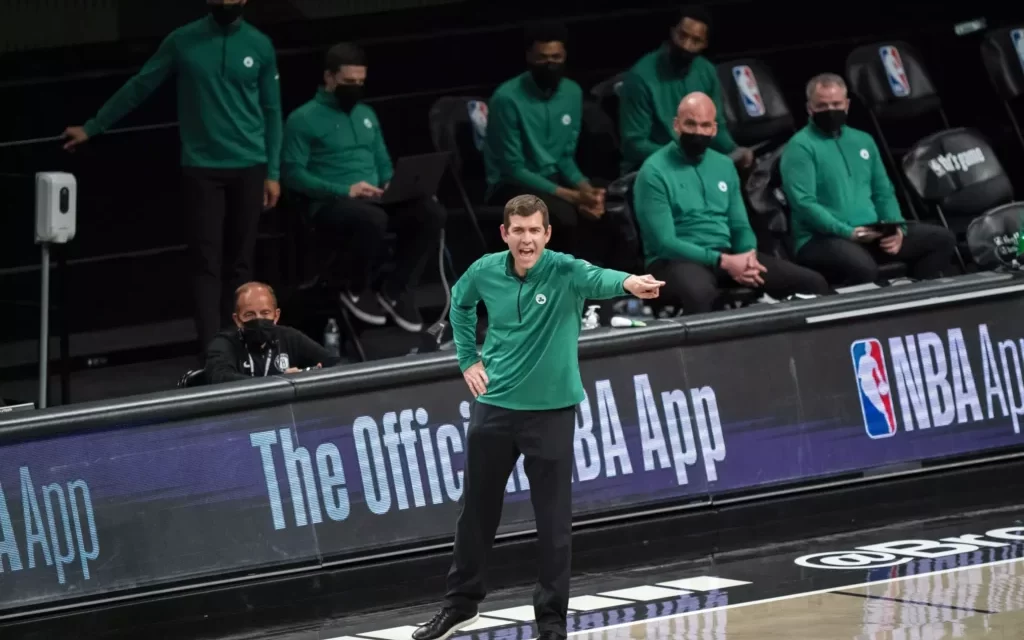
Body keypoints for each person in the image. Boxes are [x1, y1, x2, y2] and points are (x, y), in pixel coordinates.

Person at [412, 195, 664, 640]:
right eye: (518, 230)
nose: (526, 239)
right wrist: (468, 358)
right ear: (504, 233)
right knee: (475, 514)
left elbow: (599, 277)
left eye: (534, 230)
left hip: (549, 414)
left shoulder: (564, 270)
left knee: (552, 524)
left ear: (547, 234)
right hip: (494, 408)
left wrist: (629, 284)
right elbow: (461, 305)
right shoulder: (485, 270)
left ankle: (551, 622)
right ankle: (460, 605)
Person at [63, 0, 283, 356]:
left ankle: (247, 348)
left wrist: (273, 172)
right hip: (202, 167)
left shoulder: (259, 44)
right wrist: (93, 127)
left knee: (242, 260)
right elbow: (141, 85)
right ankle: (214, 351)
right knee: (206, 262)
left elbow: (272, 110)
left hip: (250, 164)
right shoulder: (183, 40)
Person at [282, 42, 446, 333]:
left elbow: (383, 162)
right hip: (332, 203)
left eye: (360, 82)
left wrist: (392, 185)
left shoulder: (367, 114)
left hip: (374, 200)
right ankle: (356, 288)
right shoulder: (302, 119)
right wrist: (345, 190)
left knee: (430, 212)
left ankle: (395, 289)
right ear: (330, 78)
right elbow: (293, 175)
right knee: (373, 219)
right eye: (348, 82)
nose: (355, 88)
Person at [634, 92, 829, 314]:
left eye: (705, 125)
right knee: (701, 294)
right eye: (691, 124)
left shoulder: (725, 166)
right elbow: (664, 242)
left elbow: (740, 226)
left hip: (727, 256)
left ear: (714, 129)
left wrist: (747, 256)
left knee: (813, 283)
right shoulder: (653, 172)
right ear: (676, 126)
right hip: (673, 262)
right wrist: (724, 261)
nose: (698, 132)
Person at [780, 73, 957, 285]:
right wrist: (847, 232)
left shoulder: (863, 140)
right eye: (822, 106)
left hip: (869, 232)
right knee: (862, 268)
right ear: (809, 108)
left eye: (836, 104)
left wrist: (896, 228)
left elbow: (883, 190)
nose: (830, 111)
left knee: (941, 239)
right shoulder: (799, 147)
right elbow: (803, 204)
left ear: (847, 105)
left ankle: (918, 301)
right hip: (820, 238)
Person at [484, 22, 604, 259]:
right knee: (564, 215)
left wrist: (587, 191)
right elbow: (513, 169)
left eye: (556, 57)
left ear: (565, 56)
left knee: (607, 206)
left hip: (552, 178)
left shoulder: (572, 92)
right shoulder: (506, 99)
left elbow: (565, 157)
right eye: (542, 58)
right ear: (529, 57)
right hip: (511, 184)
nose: (550, 65)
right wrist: (571, 196)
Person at [618, 4, 753, 174]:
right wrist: (681, 156)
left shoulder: (707, 71)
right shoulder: (640, 77)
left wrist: (734, 150)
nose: (686, 46)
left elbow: (714, 126)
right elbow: (634, 145)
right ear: (672, 32)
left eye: (695, 41)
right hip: (651, 167)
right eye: (682, 36)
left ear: (705, 44)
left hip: (694, 163)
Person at [205, 282, 342, 384]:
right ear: (237, 319)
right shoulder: (224, 342)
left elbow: (337, 365)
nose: (258, 320)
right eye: (250, 315)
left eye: (265, 313)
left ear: (276, 316)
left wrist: (311, 376)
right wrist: (279, 381)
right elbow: (219, 377)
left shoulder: (288, 337)